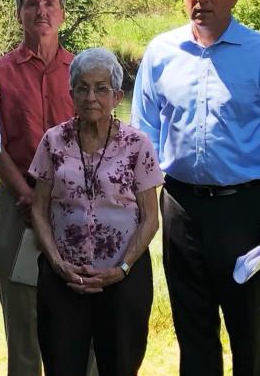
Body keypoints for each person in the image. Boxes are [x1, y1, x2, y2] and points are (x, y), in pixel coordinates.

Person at [130, 0, 260, 376]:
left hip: (246, 211)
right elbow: (143, 138)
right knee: (192, 332)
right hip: (179, 207)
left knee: (249, 333)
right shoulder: (160, 53)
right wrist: (141, 207)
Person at [28, 49, 163, 376]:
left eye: (101, 88)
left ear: (117, 96)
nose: (91, 97)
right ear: (70, 92)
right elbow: (39, 210)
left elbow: (150, 218)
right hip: (64, 278)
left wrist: (123, 268)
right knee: (62, 365)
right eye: (82, 87)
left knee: (120, 365)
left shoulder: (137, 144)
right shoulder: (53, 141)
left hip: (122, 279)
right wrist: (58, 265)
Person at [0, 0, 79, 376]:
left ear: (61, 13)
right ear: (20, 13)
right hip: (17, 201)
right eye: (31, 4)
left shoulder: (81, 71)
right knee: (22, 314)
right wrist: (25, 193)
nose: (41, 11)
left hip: (76, 205)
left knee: (78, 309)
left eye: (49, 4)